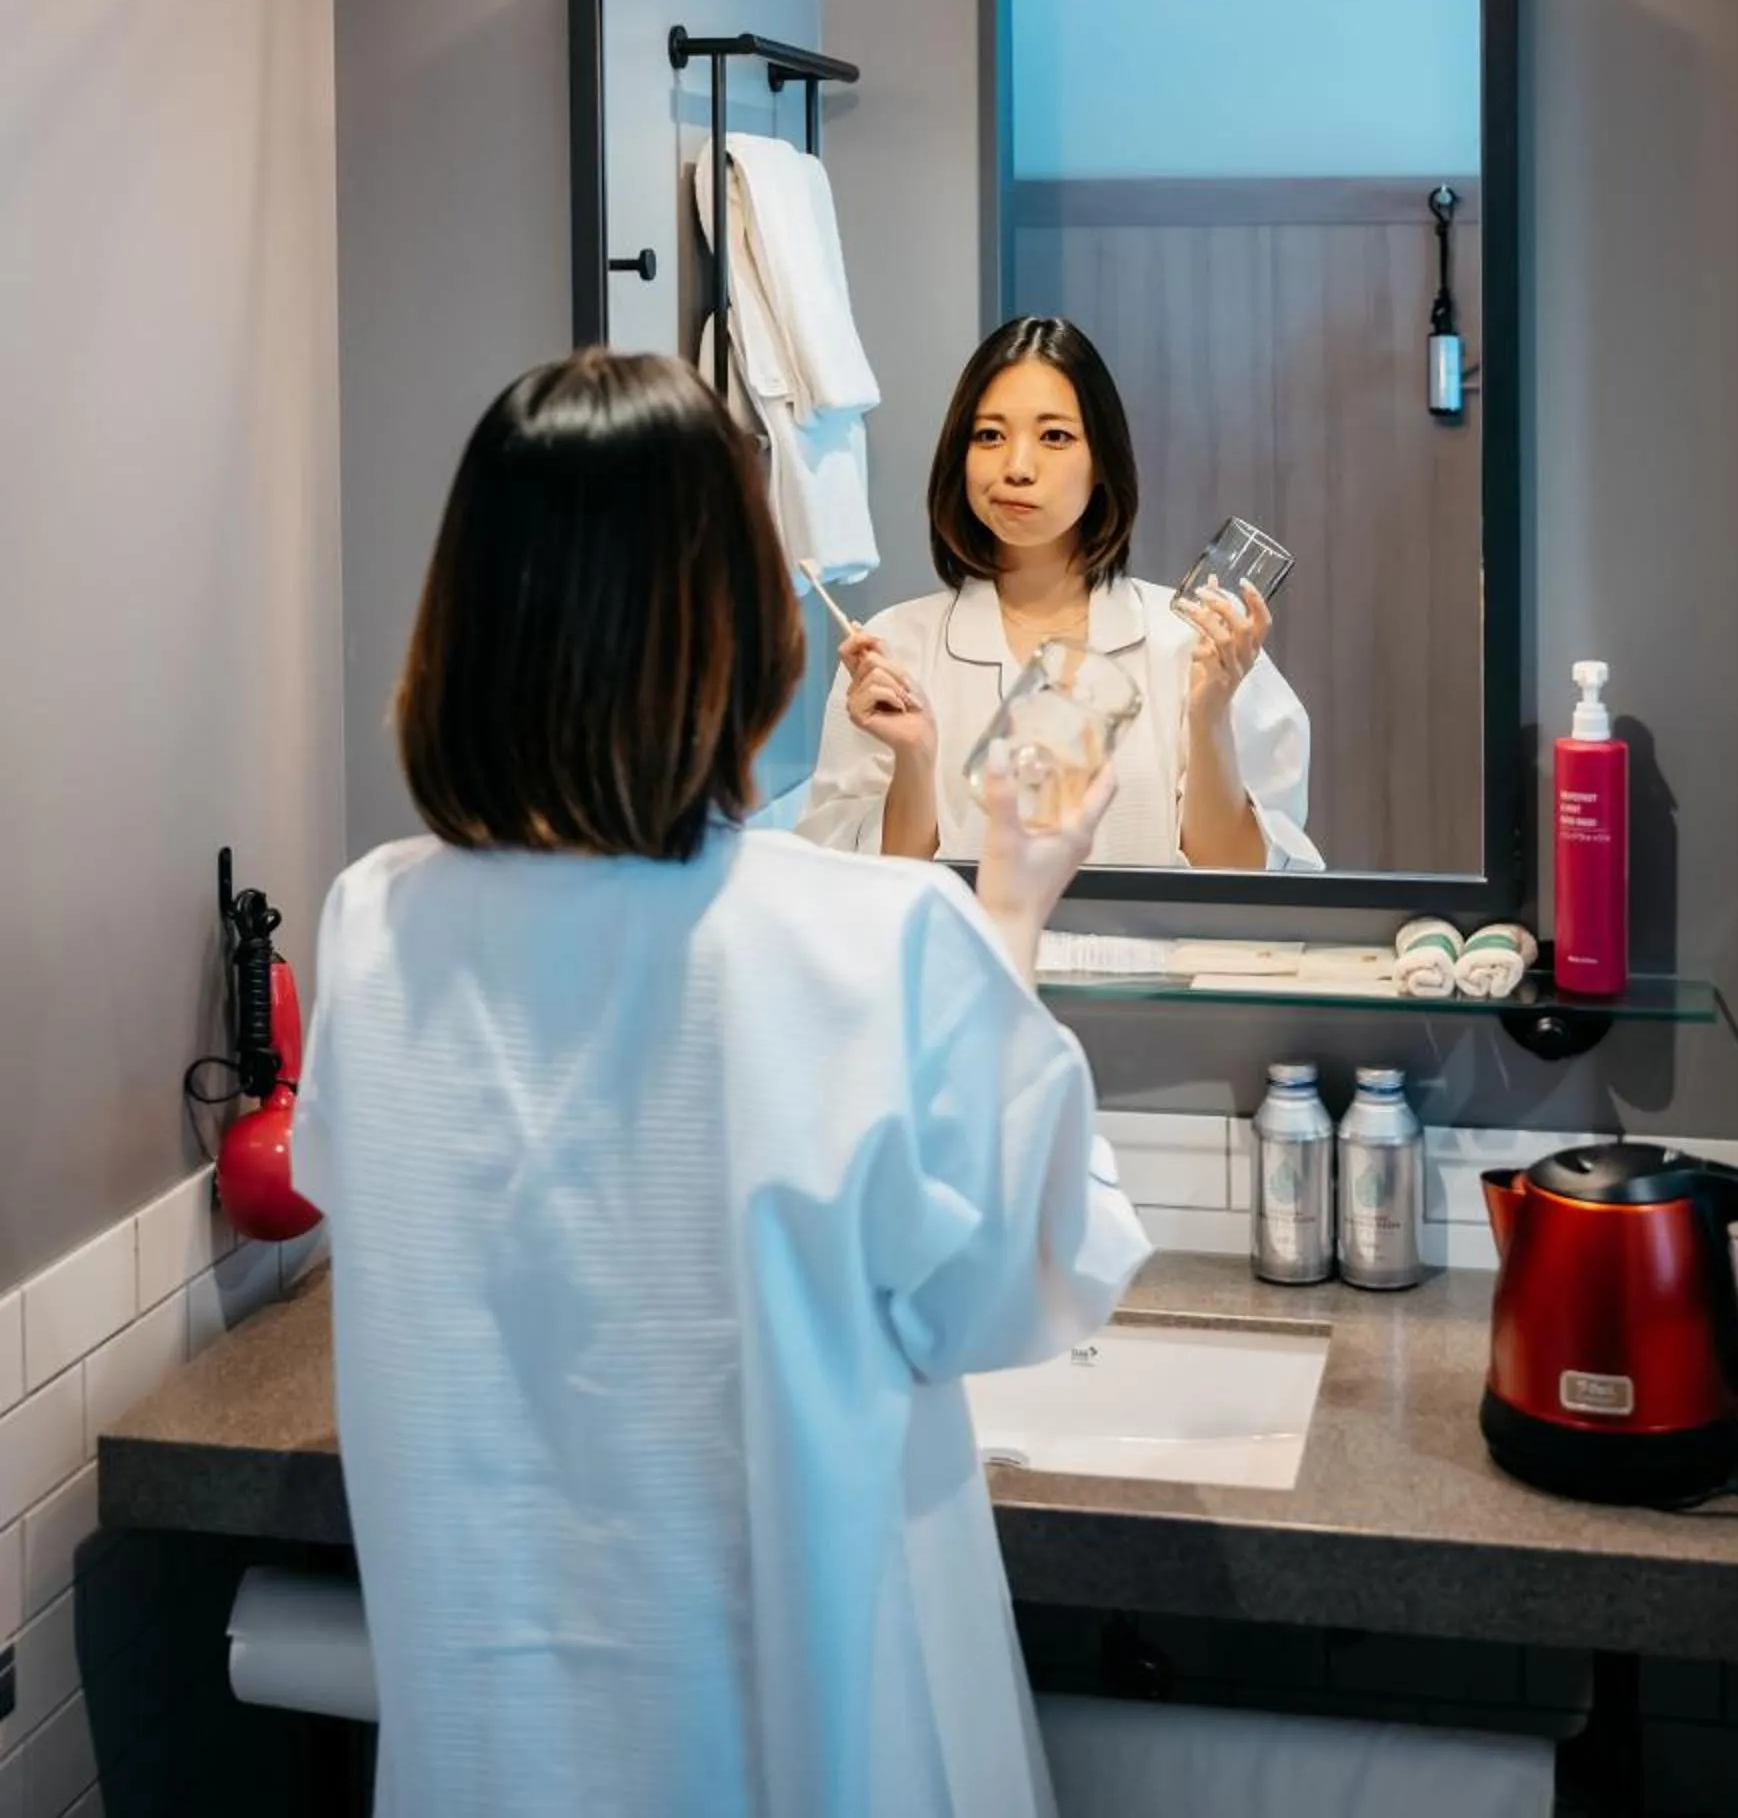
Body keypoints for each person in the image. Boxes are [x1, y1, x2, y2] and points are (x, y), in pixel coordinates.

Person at [289, 349, 1147, 1818]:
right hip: (811, 1755)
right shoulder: (867, 941)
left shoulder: (373, 933)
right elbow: (1023, 1284)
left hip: (497, 1756)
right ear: (746, 630)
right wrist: (1008, 907)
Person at [801, 315, 1318, 871]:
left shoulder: (1198, 648)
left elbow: (1242, 885)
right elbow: (871, 893)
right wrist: (914, 756)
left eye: (1055, 436)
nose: (1017, 468)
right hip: (971, 958)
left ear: (1102, 462)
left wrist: (1210, 715)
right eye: (989, 435)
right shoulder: (894, 649)